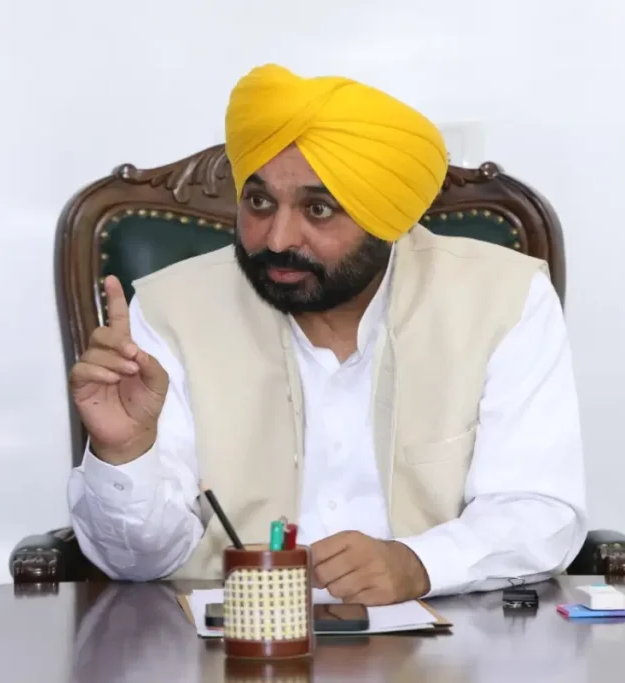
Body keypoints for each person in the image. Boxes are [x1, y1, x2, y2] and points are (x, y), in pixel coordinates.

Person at [67, 64, 587, 606]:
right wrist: (125, 453)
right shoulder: (171, 309)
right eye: (259, 203)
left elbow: (539, 510)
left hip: (447, 635)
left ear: (386, 219)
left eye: (318, 209)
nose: (277, 239)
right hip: (231, 638)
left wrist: (419, 564)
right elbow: (139, 563)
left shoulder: (502, 298)